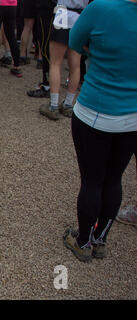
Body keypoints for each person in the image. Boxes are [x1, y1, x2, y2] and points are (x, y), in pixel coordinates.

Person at [62, 0, 137, 262]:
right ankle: (100, 238)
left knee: (92, 181)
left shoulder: (100, 8)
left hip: (95, 110)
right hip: (132, 115)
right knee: (114, 179)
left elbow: (74, 41)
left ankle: (83, 241)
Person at [39, 0, 89, 120]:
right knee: (75, 65)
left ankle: (53, 105)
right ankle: (68, 104)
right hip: (80, 16)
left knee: (55, 63)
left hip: (63, 12)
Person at [26, 0, 56, 98]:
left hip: (48, 9)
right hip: (54, 9)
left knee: (46, 48)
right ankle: (49, 82)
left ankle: (47, 85)